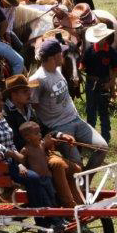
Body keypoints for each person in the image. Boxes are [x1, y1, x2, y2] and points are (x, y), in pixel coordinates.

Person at [0, 85, 63, 229]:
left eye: (2, 100)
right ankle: (47, 219)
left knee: (39, 177)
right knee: (33, 178)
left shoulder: (0, 117)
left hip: (8, 163)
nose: (2, 104)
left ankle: (46, 218)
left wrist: (19, 162)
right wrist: (12, 154)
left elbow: (10, 142)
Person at [30, 39, 108, 170]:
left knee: (102, 147)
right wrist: (49, 132)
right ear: (53, 57)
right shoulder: (36, 79)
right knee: (76, 163)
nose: (63, 55)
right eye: (62, 53)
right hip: (58, 126)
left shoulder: (58, 69)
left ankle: (84, 184)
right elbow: (33, 107)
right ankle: (77, 184)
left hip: (76, 119)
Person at [81, 23, 117, 143]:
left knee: (104, 112)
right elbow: (82, 65)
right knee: (91, 112)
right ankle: (90, 139)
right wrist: (79, 68)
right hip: (90, 84)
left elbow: (116, 69)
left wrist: (111, 84)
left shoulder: (111, 51)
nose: (100, 40)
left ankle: (105, 139)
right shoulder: (89, 51)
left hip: (104, 85)